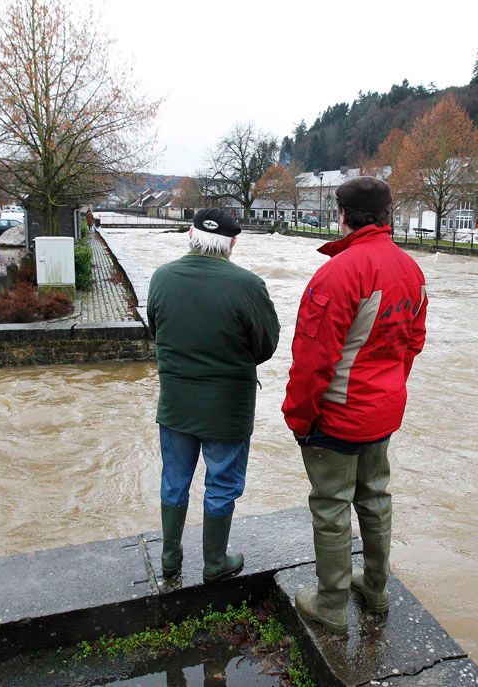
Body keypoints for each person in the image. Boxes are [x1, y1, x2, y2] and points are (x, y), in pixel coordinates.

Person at [282, 177, 427, 635]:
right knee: (376, 497)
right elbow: (412, 344)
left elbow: (312, 358)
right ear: (388, 216)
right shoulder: (411, 270)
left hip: (338, 415)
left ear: (342, 216)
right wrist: (388, 395)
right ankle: (376, 587)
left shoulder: (339, 272)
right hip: (383, 411)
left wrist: (298, 417)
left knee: (331, 507)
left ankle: (331, 603)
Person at [147, 208, 280, 583]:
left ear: (190, 235)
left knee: (174, 478)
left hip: (176, 402)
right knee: (221, 482)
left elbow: (155, 329)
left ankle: (170, 558)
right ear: (232, 242)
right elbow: (266, 344)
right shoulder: (247, 285)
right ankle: (215, 562)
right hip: (227, 406)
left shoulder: (162, 277)